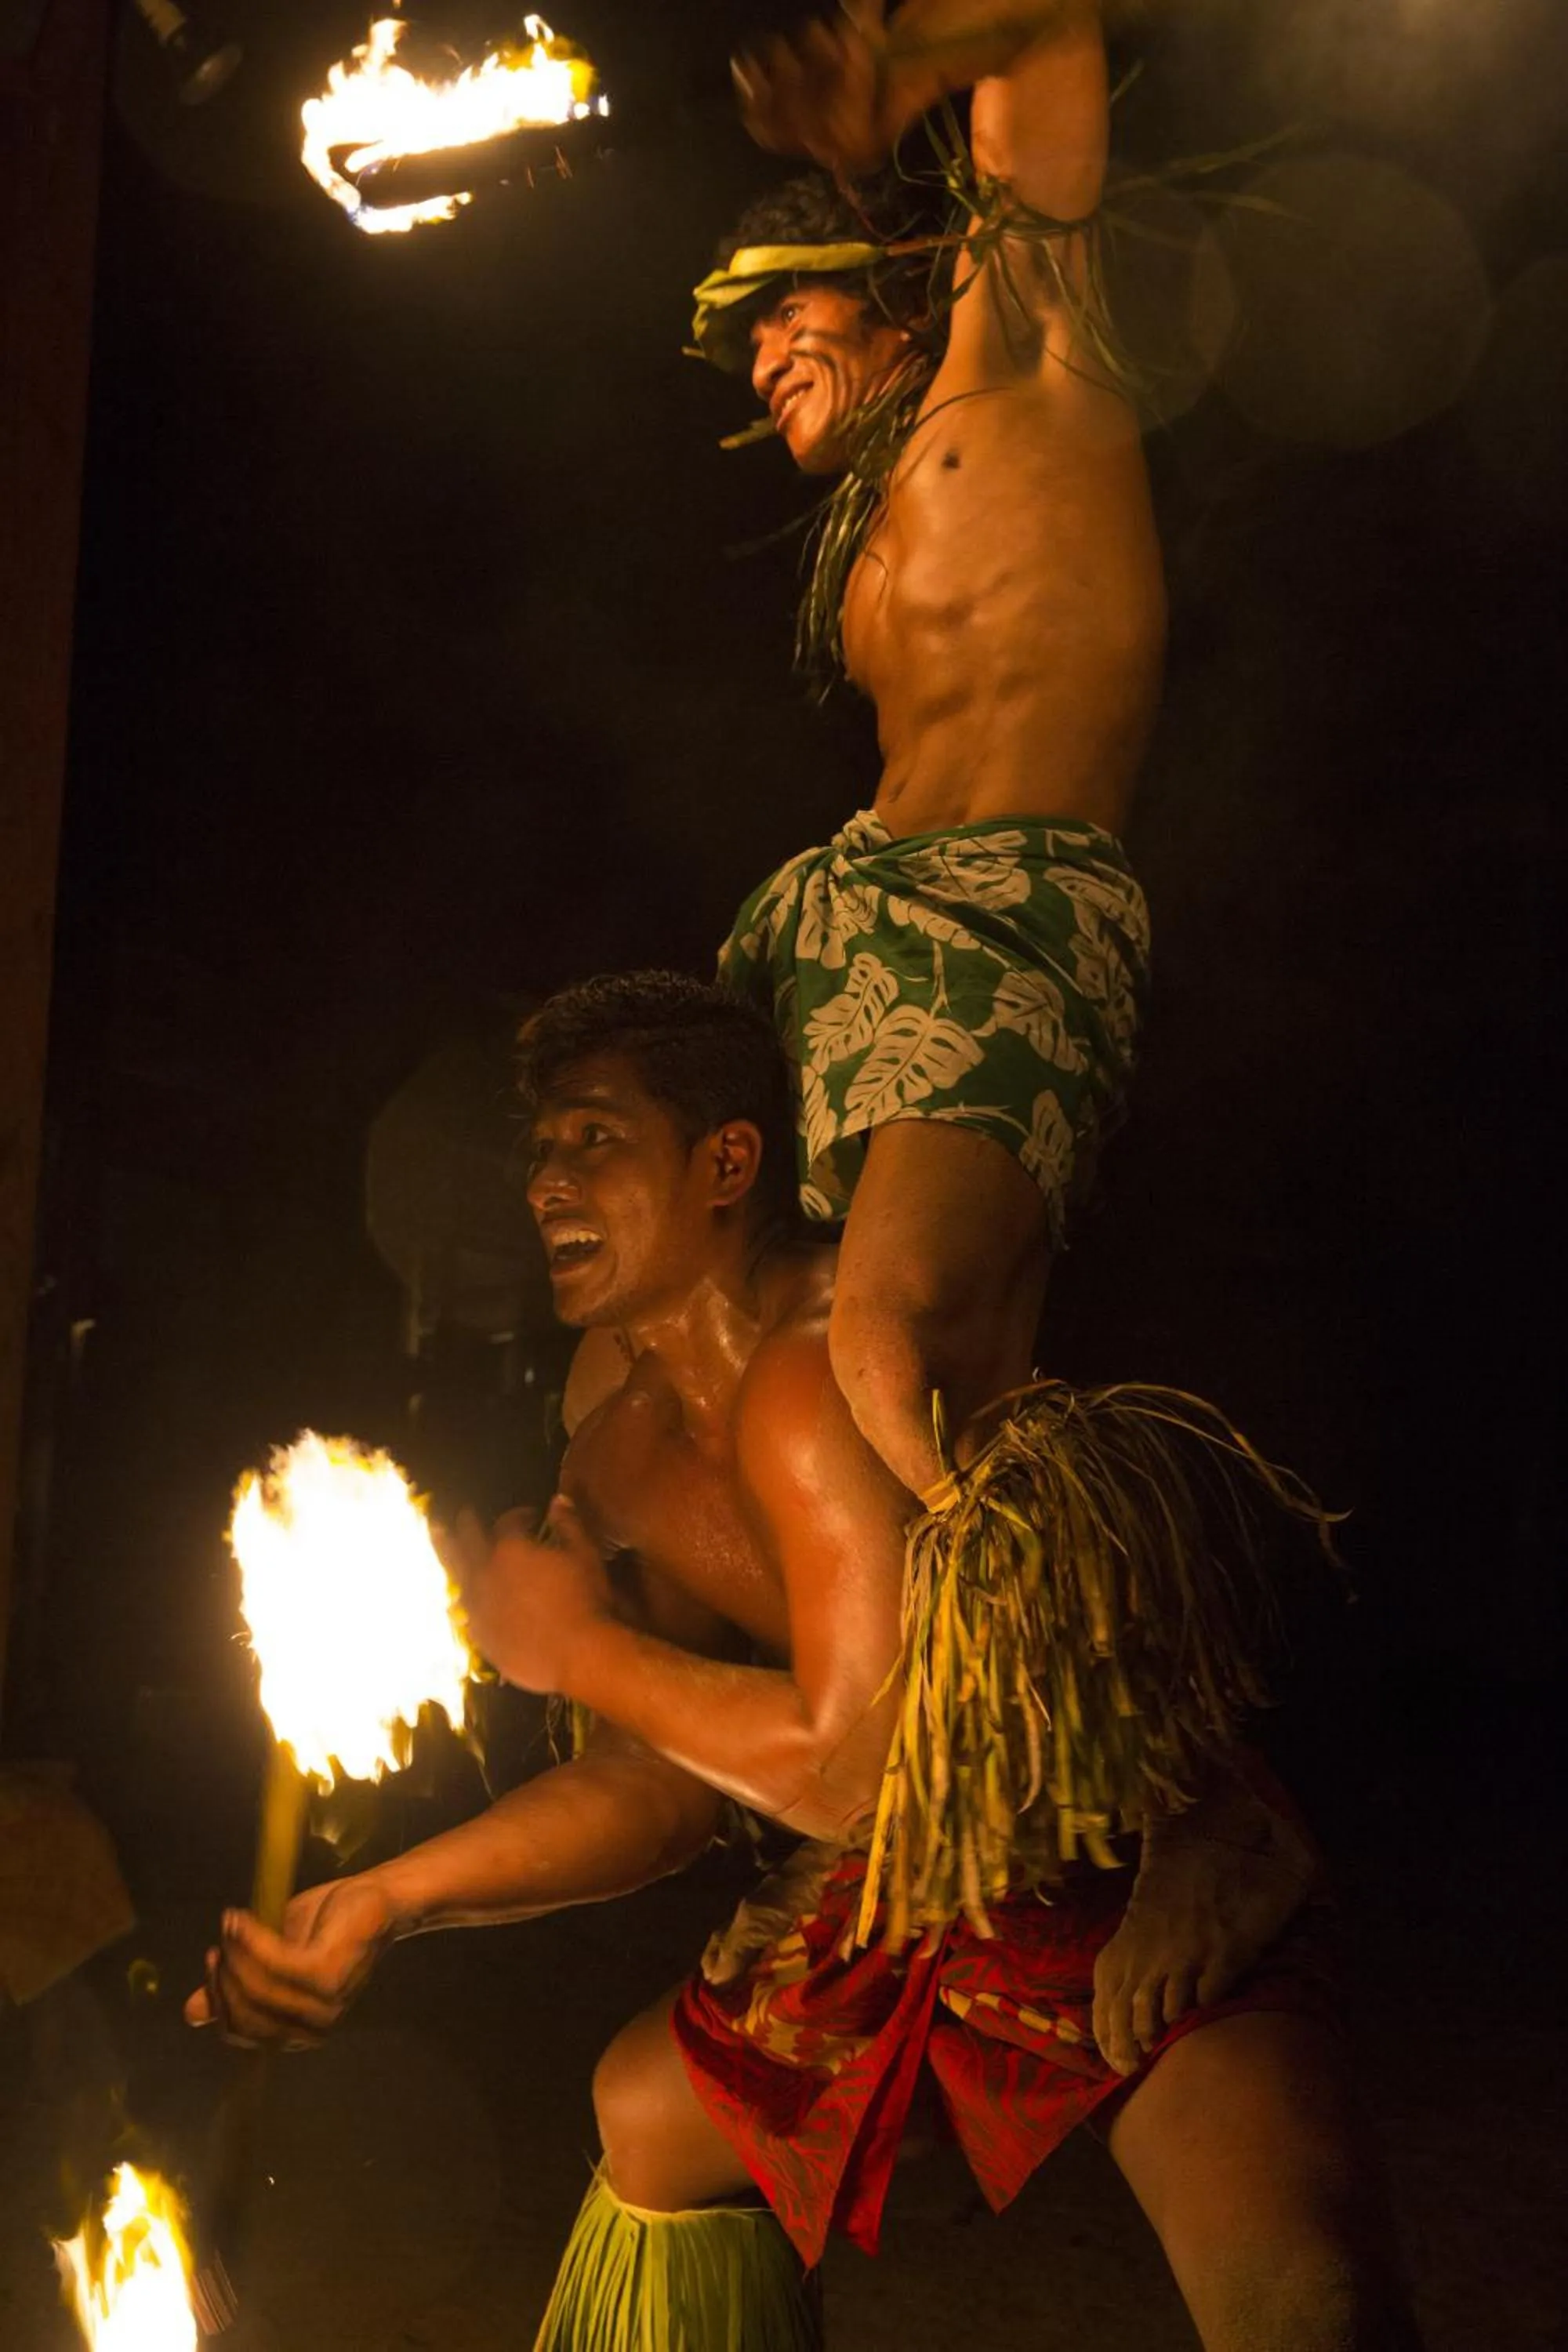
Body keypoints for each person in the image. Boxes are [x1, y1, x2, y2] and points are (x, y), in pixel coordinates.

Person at [188, 975, 1421, 2352]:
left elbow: (858, 1764)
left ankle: (1232, 1831)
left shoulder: (824, 1366)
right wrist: (391, 1896)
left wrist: (582, 1647)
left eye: (595, 1138)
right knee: (651, 2119)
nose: (546, 1181)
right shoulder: (616, 1438)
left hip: (1107, 1843)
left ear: (727, 1163)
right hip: (900, 1882)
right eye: (539, 1150)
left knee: (1299, 2299)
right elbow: (660, 1785)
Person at [682, 0, 1166, 1505]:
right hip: (868, 931)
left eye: (787, 314)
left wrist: (893, 74)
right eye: (749, 342)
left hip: (1012, 915)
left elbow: (1052, 30)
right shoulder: (873, 539)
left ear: (891, 290)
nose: (762, 361)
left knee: (885, 1346)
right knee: (736, 1356)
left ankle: (1041, 1612)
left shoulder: (1020, 360)